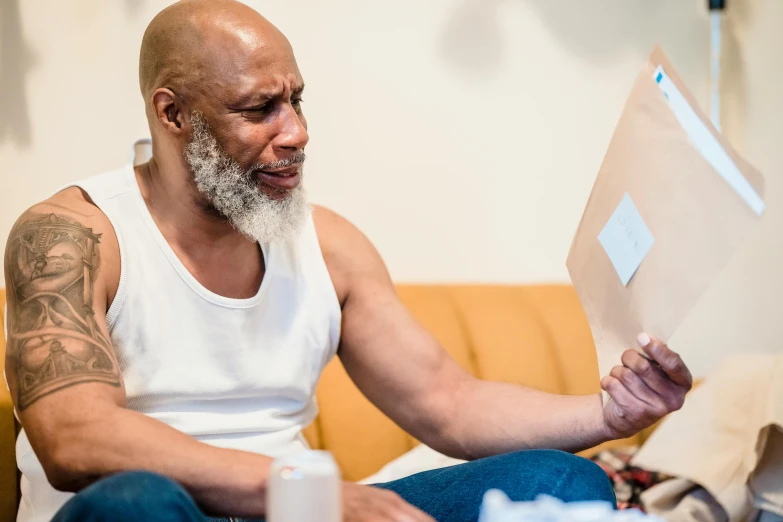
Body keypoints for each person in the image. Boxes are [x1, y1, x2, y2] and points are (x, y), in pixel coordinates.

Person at [2, 1, 693, 521]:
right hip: (169, 511)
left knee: (562, 481)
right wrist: (308, 490)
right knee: (136, 503)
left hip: (300, 510)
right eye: (260, 108)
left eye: (296, 100)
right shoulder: (72, 236)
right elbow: (75, 439)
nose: (296, 132)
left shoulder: (327, 245)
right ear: (172, 113)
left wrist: (608, 413)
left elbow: (447, 403)